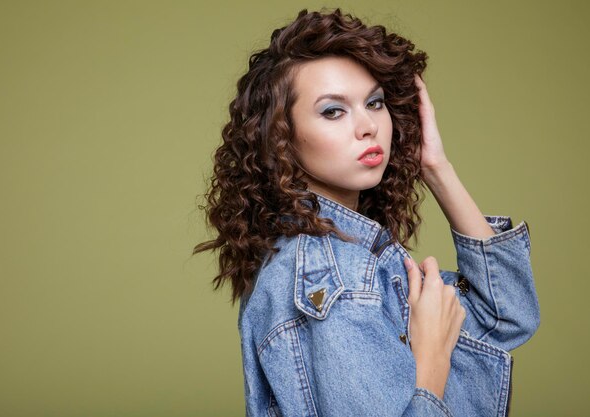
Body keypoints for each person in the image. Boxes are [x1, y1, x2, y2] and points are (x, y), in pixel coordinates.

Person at [193, 7, 540, 417]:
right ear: (280, 141)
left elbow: (507, 316)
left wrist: (435, 167)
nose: (368, 126)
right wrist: (431, 364)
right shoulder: (330, 278)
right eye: (333, 111)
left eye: (374, 103)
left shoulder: (351, 260)